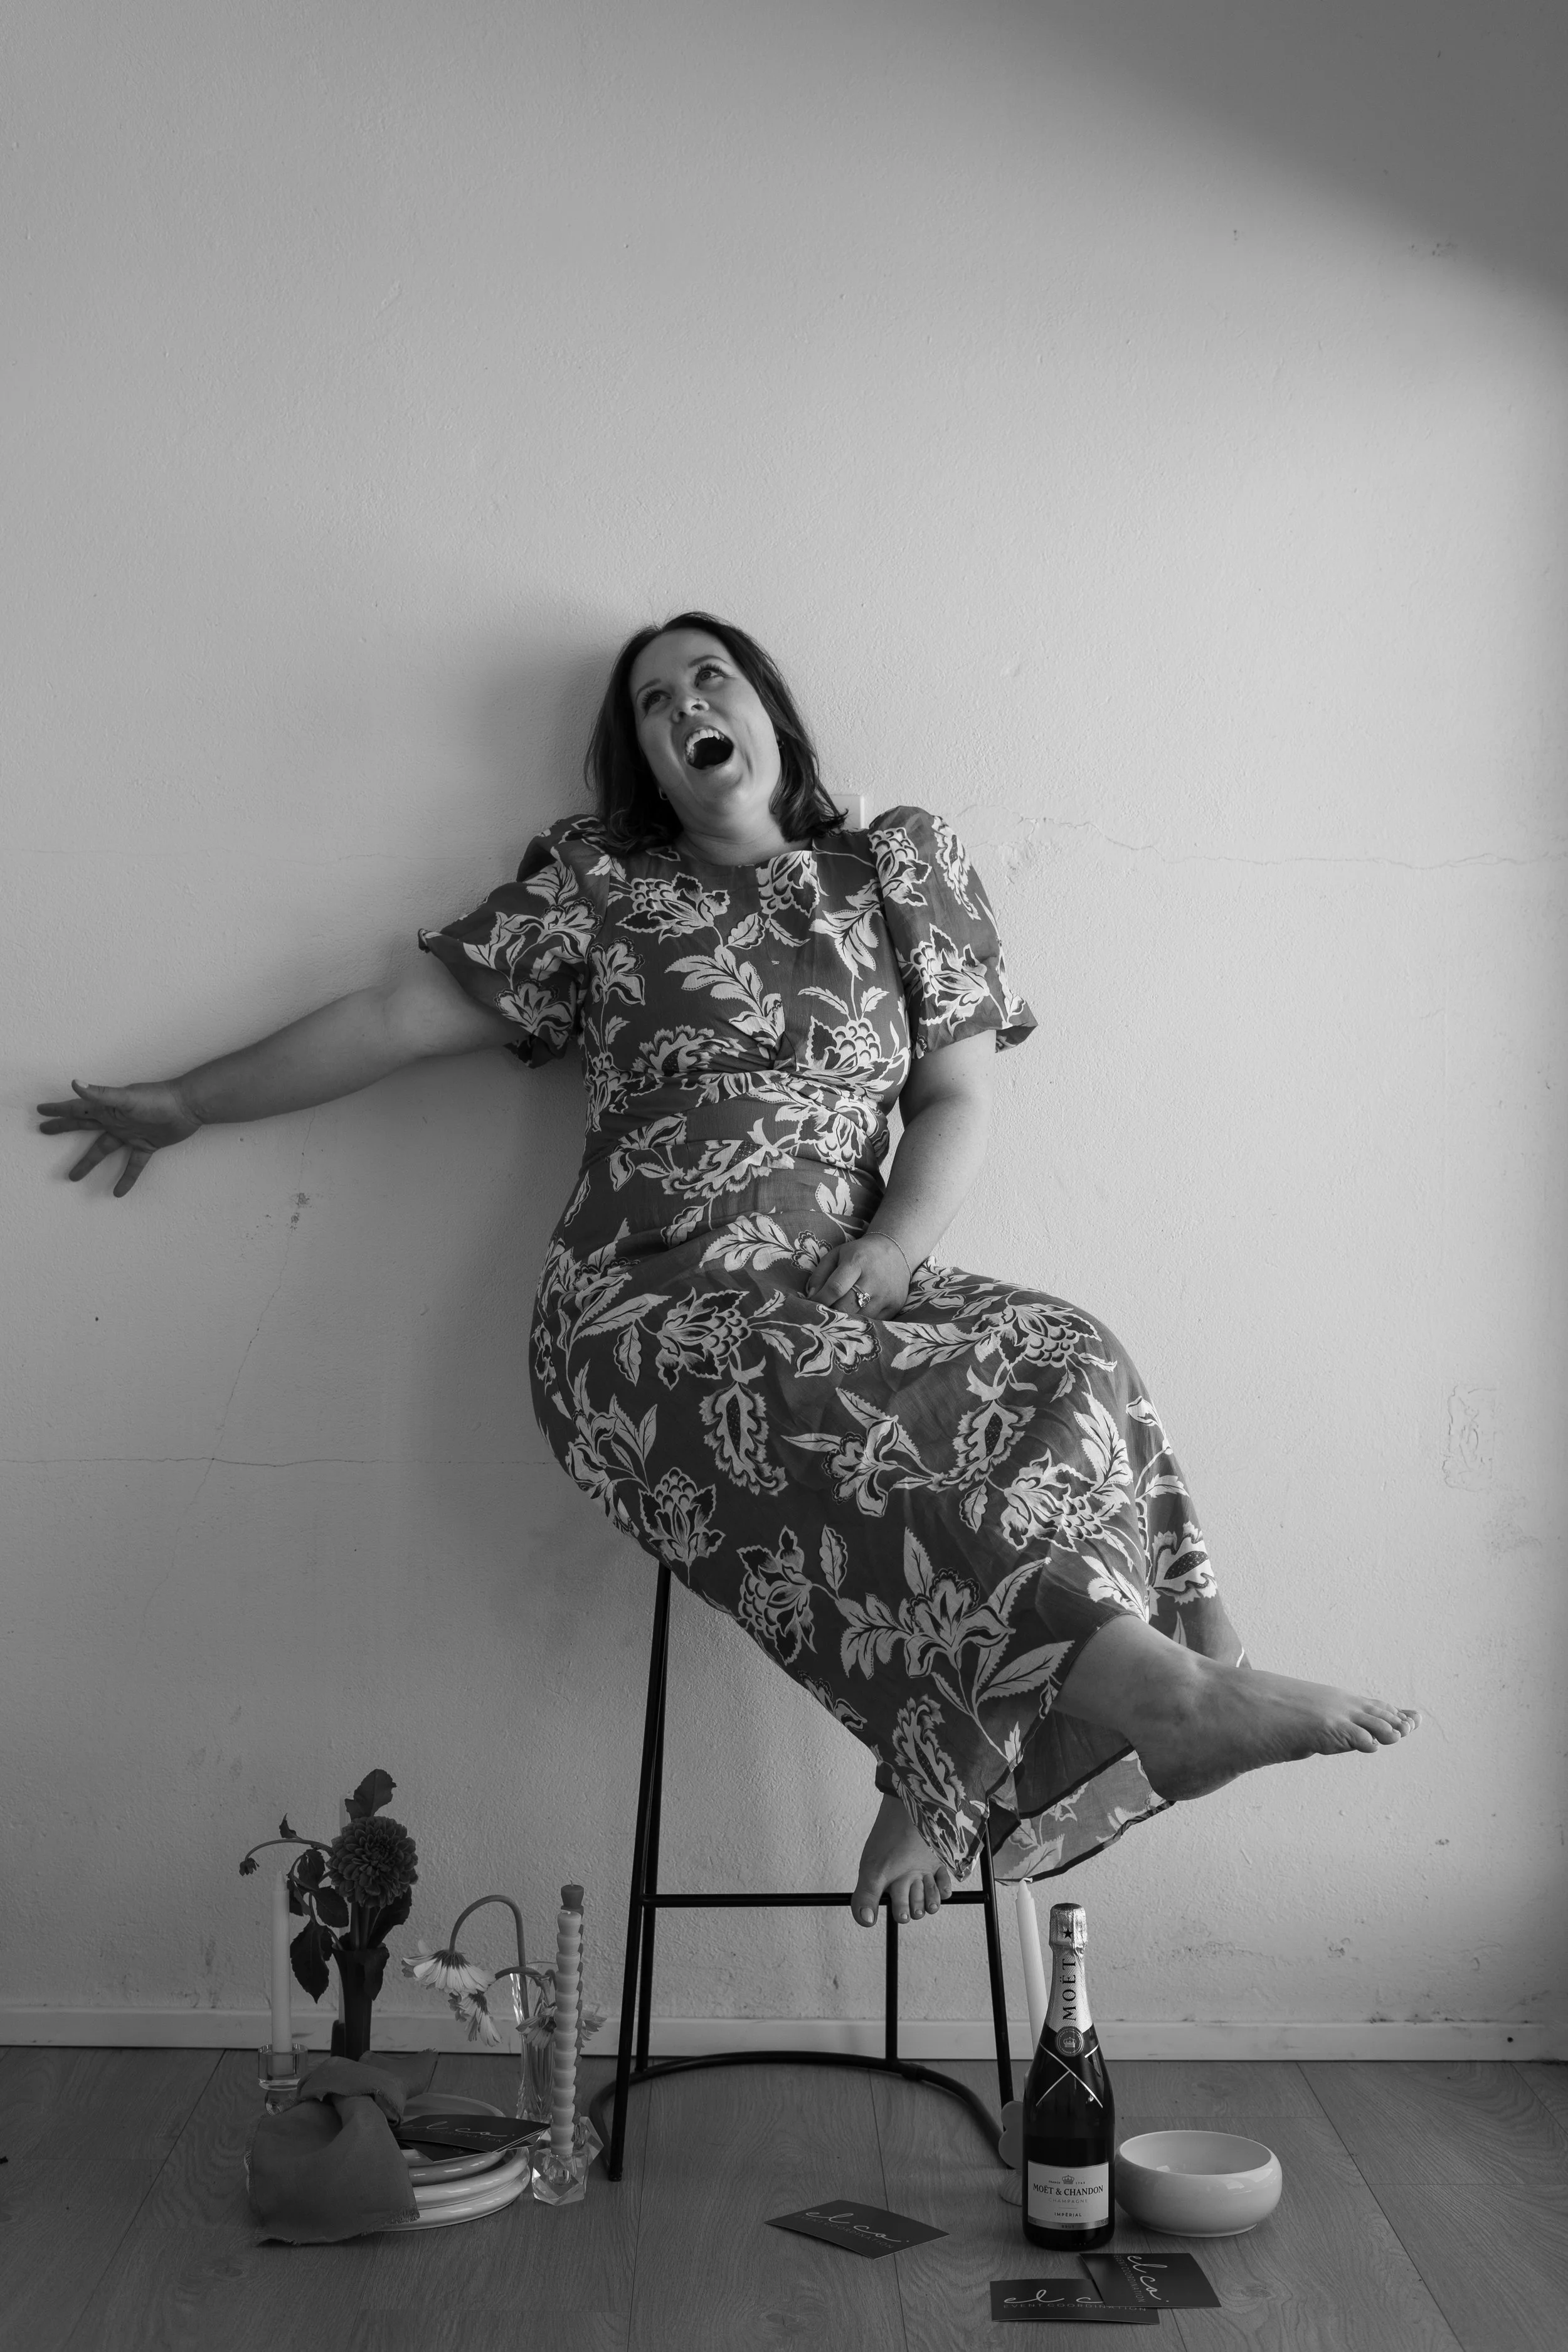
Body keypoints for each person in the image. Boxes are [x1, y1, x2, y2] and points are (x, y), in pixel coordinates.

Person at [38, 612, 1418, 1929]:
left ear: (766, 711)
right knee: (808, 1397)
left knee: (1070, 1357)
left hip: (845, 1276)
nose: (683, 709)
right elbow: (397, 1016)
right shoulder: (598, 891)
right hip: (646, 1310)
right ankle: (1152, 1702)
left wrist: (888, 1251)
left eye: (707, 681)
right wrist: (190, 1102)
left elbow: (953, 1104)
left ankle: (948, 1764)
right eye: (651, 704)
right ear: (640, 761)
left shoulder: (894, 869)